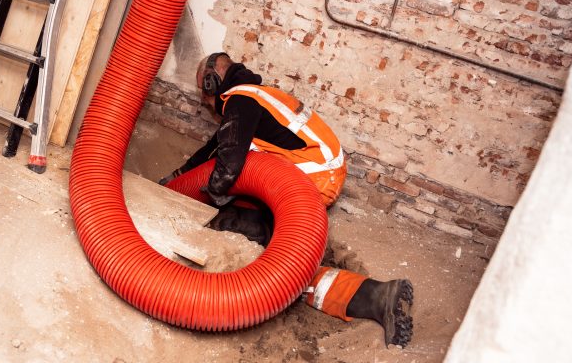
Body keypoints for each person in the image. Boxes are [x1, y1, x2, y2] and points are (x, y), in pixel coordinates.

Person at [159, 52, 413, 347]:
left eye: (206, 100)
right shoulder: (255, 98)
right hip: (315, 171)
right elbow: (213, 148)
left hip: (308, 179)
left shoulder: (238, 101)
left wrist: (210, 201)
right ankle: (375, 295)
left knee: (264, 252)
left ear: (213, 83)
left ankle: (372, 297)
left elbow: (227, 169)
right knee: (264, 237)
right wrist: (176, 178)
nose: (208, 108)